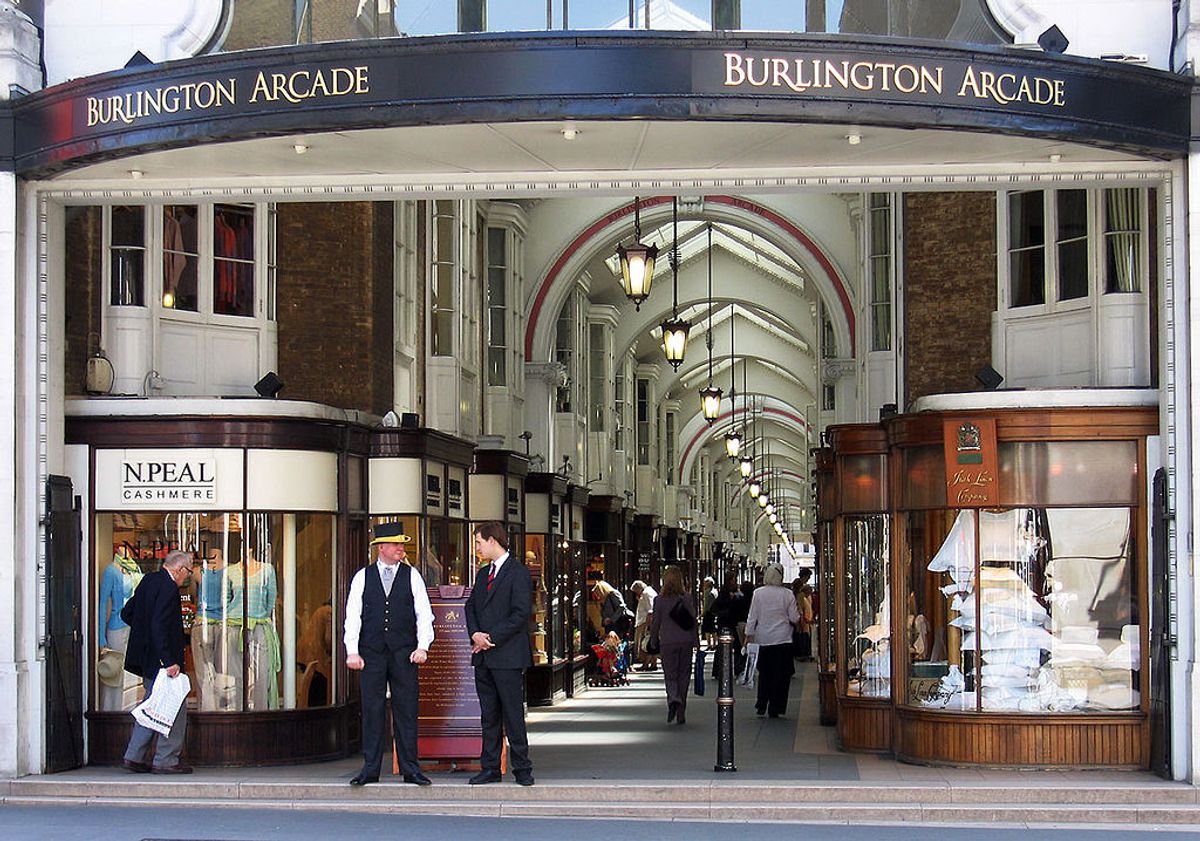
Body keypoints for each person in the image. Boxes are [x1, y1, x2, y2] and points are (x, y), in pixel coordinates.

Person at [344, 521, 434, 786]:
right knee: (371, 710)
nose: (401, 549)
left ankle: (410, 768)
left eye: (401, 544)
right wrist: (352, 650)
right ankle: (370, 768)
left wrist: (422, 646)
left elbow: (424, 614)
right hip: (371, 653)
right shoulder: (363, 576)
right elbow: (353, 616)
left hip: (404, 652)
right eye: (396, 544)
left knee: (406, 709)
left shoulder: (412, 575)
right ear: (381, 547)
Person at [465, 521, 535, 787]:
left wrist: (490, 637)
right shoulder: (483, 574)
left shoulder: (518, 573)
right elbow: (470, 607)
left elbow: (520, 613)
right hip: (483, 656)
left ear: (492, 540)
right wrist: (475, 635)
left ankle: (522, 768)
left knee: (512, 713)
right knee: (489, 714)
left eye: (479, 543)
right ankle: (490, 767)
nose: (477, 548)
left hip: (507, 655)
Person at [120, 549, 193, 774]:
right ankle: (166, 759)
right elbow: (160, 625)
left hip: (146, 658)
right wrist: (168, 660)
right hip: (163, 660)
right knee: (174, 708)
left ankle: (134, 756)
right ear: (179, 569)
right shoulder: (169, 588)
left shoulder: (148, 580)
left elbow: (127, 613)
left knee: (152, 705)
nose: (188, 576)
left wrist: (143, 636)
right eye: (188, 571)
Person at [745, 563, 801, 718]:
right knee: (781, 675)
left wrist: (748, 635)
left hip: (763, 639)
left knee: (764, 673)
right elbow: (794, 618)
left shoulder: (758, 593)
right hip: (783, 639)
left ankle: (761, 703)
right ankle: (776, 707)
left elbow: (752, 617)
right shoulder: (787, 594)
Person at [648, 565, 699, 724]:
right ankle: (681, 712)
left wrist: (653, 641)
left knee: (670, 675)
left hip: (668, 642)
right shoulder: (687, 598)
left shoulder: (659, 601)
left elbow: (656, 623)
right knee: (684, 676)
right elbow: (692, 621)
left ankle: (673, 698)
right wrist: (696, 641)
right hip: (685, 641)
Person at [97, 545, 143, 711]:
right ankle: (111, 711)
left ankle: (131, 709)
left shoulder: (135, 568)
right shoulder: (111, 571)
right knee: (115, 671)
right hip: (117, 626)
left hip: (135, 626)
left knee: (133, 672)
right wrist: (100, 637)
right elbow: (102, 603)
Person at [630, 579, 658, 671]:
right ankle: (652, 663)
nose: (635, 594)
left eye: (635, 591)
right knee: (649, 643)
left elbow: (651, 608)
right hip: (646, 621)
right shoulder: (649, 592)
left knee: (644, 644)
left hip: (644, 622)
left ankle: (646, 664)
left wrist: (649, 622)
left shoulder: (646, 593)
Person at [700, 575, 718, 650]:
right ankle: (714, 643)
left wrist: (702, 613)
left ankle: (709, 644)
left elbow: (706, 604)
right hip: (713, 612)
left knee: (707, 629)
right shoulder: (715, 591)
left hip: (708, 613)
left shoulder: (707, 592)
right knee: (713, 629)